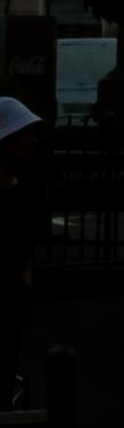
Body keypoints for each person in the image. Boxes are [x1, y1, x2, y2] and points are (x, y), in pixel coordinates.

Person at [0, 98, 46, 411]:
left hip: (11, 302)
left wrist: (25, 277)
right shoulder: (23, 191)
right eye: (25, 134)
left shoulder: (25, 189)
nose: (33, 141)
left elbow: (24, 244)